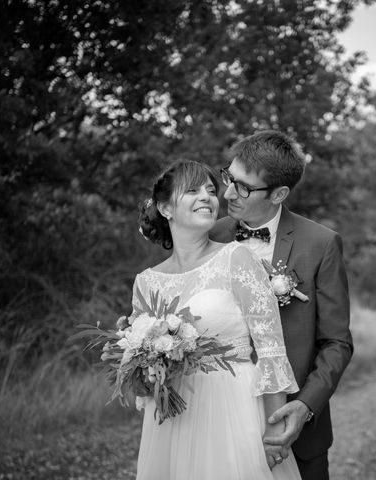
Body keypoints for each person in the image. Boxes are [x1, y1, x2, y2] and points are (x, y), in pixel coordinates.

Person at [133, 160, 302, 480]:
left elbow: (271, 351)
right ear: (166, 208)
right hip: (171, 419)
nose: (208, 197)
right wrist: (143, 364)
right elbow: (140, 377)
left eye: (211, 191)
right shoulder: (146, 282)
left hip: (233, 411)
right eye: (193, 190)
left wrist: (273, 433)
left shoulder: (237, 259)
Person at [210, 130, 353, 480]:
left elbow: (337, 343)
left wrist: (304, 407)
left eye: (243, 187)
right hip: (220, 419)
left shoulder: (321, 244)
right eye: (229, 177)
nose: (227, 192)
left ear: (279, 194)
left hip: (296, 428)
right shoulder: (210, 237)